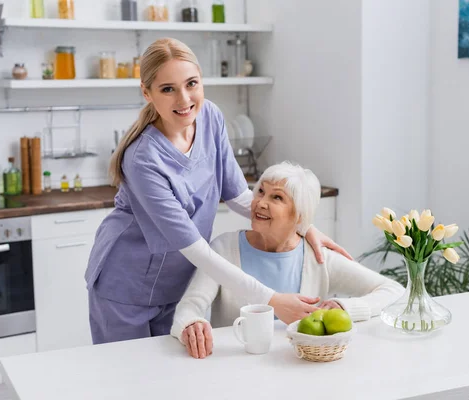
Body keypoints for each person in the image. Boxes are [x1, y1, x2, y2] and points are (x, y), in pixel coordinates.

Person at [84, 38, 351, 344]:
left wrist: (302, 227)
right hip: (125, 287)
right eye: (167, 89)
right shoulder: (143, 158)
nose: (184, 99)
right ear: (147, 93)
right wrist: (273, 300)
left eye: (191, 84)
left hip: (177, 284)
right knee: (126, 385)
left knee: (169, 384)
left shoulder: (209, 116)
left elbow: (239, 196)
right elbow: (197, 249)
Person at [170, 162, 405, 359]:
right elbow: (190, 306)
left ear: (300, 216)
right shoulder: (224, 247)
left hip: (300, 368)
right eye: (260, 191)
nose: (261, 202)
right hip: (237, 371)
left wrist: (345, 308)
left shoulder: (318, 258)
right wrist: (191, 324)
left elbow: (393, 290)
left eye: (277, 197)